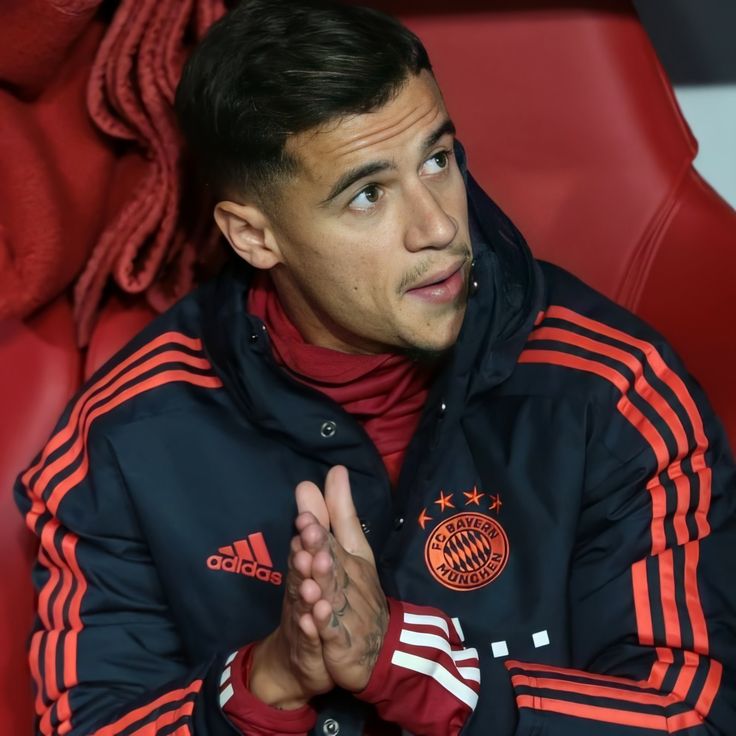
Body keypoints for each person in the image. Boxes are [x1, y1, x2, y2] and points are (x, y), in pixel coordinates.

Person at [15, 1, 736, 734]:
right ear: (252, 236)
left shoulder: (613, 391)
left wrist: (413, 666)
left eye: (439, 159)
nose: (439, 226)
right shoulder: (125, 435)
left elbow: (693, 715)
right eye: (367, 194)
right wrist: (265, 683)